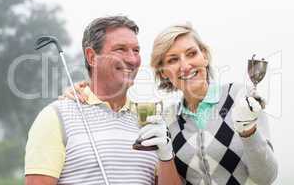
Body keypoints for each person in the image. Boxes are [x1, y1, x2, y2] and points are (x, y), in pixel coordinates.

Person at [67, 22, 278, 184]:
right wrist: (85, 89)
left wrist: (248, 131)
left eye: (191, 54)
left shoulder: (240, 97)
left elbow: (266, 178)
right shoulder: (167, 119)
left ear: (204, 56)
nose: (185, 65)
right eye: (173, 60)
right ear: (164, 73)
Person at [25, 16, 178, 185]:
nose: (132, 59)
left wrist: (166, 155)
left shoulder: (149, 120)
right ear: (91, 57)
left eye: (136, 50)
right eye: (120, 49)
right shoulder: (55, 117)